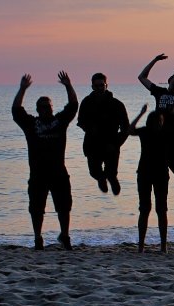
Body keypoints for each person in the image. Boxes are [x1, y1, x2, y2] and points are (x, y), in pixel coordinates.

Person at [12, 71, 78, 250]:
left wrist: (68, 85)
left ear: (51, 107)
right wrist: (22, 89)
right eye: (41, 107)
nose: (44, 109)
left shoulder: (59, 121)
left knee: (64, 206)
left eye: (47, 106)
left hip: (58, 172)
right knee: (36, 208)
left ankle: (65, 235)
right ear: (37, 110)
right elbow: (16, 111)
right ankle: (37, 238)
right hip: (38, 173)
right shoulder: (31, 124)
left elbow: (73, 105)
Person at [77, 72, 129, 195]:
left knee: (111, 173)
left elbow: (125, 128)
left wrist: (117, 143)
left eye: (102, 85)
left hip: (111, 144)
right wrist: (90, 128)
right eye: (97, 86)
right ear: (92, 87)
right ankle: (101, 179)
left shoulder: (117, 104)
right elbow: (81, 121)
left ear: (106, 85)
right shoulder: (87, 102)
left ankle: (112, 180)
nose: (100, 88)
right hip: (92, 144)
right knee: (94, 172)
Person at [128, 105, 169, 253]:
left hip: (161, 174)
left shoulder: (165, 133)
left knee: (161, 209)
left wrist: (173, 115)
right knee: (145, 209)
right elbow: (130, 130)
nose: (159, 124)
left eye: (160, 121)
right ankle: (141, 246)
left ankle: (163, 246)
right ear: (150, 122)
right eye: (157, 121)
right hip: (145, 173)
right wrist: (140, 113)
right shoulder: (145, 131)